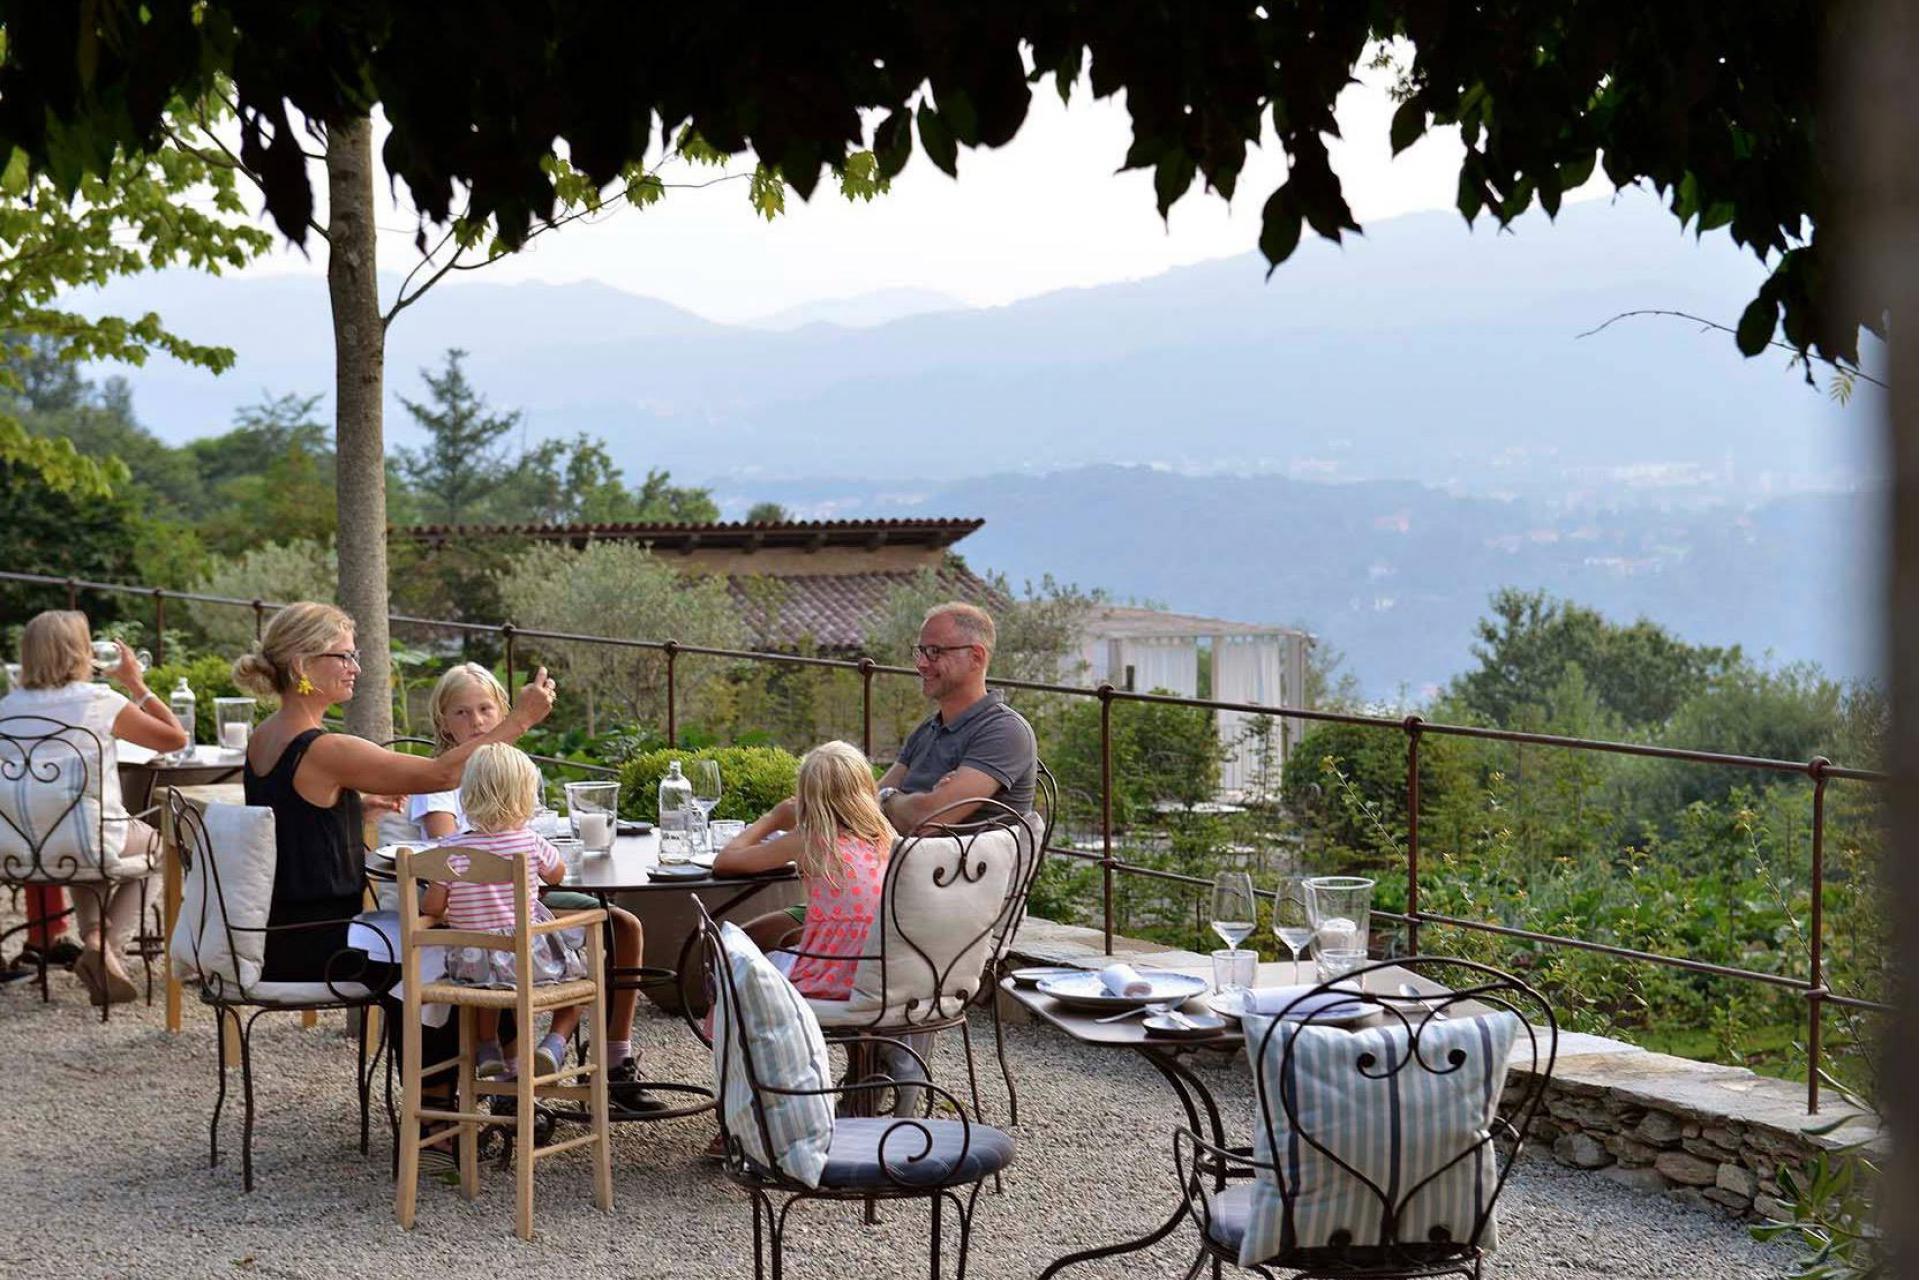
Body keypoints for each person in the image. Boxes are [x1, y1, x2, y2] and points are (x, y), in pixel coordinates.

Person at [231, 602, 556, 984]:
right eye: (344, 656)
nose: (356, 667)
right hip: (325, 945)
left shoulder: (265, 735)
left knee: (452, 937)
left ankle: (469, 1044)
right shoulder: (325, 748)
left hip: (281, 932)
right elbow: (443, 775)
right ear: (302, 665)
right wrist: (520, 719)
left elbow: (290, 818)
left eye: (356, 655)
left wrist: (353, 810)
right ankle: (462, 1045)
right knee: (464, 949)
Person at [400, 662, 662, 1113]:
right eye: (462, 713)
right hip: (495, 914)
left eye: (485, 709)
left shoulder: (506, 766)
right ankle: (519, 1073)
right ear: (442, 721)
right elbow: (446, 849)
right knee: (583, 940)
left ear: (502, 709)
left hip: (498, 918)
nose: (476, 721)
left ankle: (614, 1059)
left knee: (623, 926)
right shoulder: (439, 781)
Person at [0, 611, 189, 1003]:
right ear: (80, 652)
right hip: (87, 839)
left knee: (80, 834)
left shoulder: (6, 708)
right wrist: (136, 684)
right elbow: (175, 739)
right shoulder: (99, 701)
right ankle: (106, 949)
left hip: (15, 850)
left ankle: (94, 938)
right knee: (158, 844)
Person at [421, 744, 585, 1080]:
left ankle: (487, 1046)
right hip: (528, 962)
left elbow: (433, 907)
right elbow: (557, 875)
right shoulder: (530, 842)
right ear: (526, 794)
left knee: (489, 984)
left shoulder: (449, 849)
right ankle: (554, 1043)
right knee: (580, 976)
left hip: (469, 964)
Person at [715, 740, 893, 998]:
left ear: (807, 795)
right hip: (880, 977)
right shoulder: (886, 838)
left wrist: (773, 818)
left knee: (734, 952)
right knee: (762, 933)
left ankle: (742, 1034)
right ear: (866, 788)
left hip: (825, 978)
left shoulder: (810, 840)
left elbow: (725, 862)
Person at [876, 602, 1037, 832]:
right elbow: (866, 805)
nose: (921, 664)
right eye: (920, 651)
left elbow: (926, 819)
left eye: (934, 652)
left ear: (976, 657)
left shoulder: (1004, 731)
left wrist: (889, 799)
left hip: (956, 866)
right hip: (900, 858)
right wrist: (896, 799)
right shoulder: (928, 728)